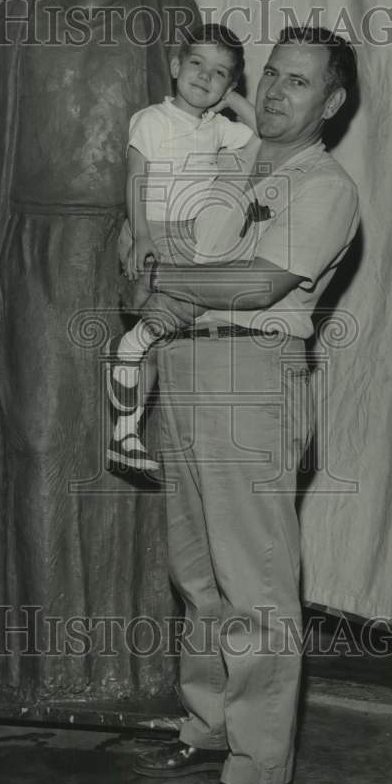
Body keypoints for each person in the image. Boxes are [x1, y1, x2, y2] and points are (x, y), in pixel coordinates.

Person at [0, 0, 198, 701]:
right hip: (32, 251)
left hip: (125, 257)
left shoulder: (166, 15)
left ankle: (127, 662)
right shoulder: (17, 19)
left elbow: (191, 159)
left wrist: (171, 274)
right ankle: (44, 659)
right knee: (33, 445)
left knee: (124, 453)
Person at [129, 25, 360, 784]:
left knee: (254, 578)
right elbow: (148, 240)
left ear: (330, 102)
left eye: (298, 82)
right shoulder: (220, 162)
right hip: (185, 367)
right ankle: (209, 728)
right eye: (270, 75)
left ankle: (260, 764)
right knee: (196, 575)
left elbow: (259, 286)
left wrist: (166, 273)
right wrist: (153, 260)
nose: (273, 91)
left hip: (252, 376)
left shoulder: (324, 185)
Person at [106, 23, 256, 472]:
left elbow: (262, 135)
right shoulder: (152, 119)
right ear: (175, 66)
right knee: (165, 314)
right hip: (152, 229)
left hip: (191, 235)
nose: (206, 77)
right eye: (197, 64)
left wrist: (233, 101)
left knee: (162, 332)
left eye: (220, 74)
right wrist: (143, 233)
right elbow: (136, 176)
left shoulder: (217, 128)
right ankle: (136, 344)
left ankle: (125, 437)